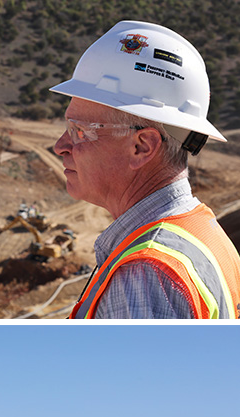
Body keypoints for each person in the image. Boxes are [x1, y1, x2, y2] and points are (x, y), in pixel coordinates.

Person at [49, 21, 240, 319]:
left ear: (142, 147)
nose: (61, 146)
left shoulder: (145, 274)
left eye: (79, 131)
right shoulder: (202, 231)